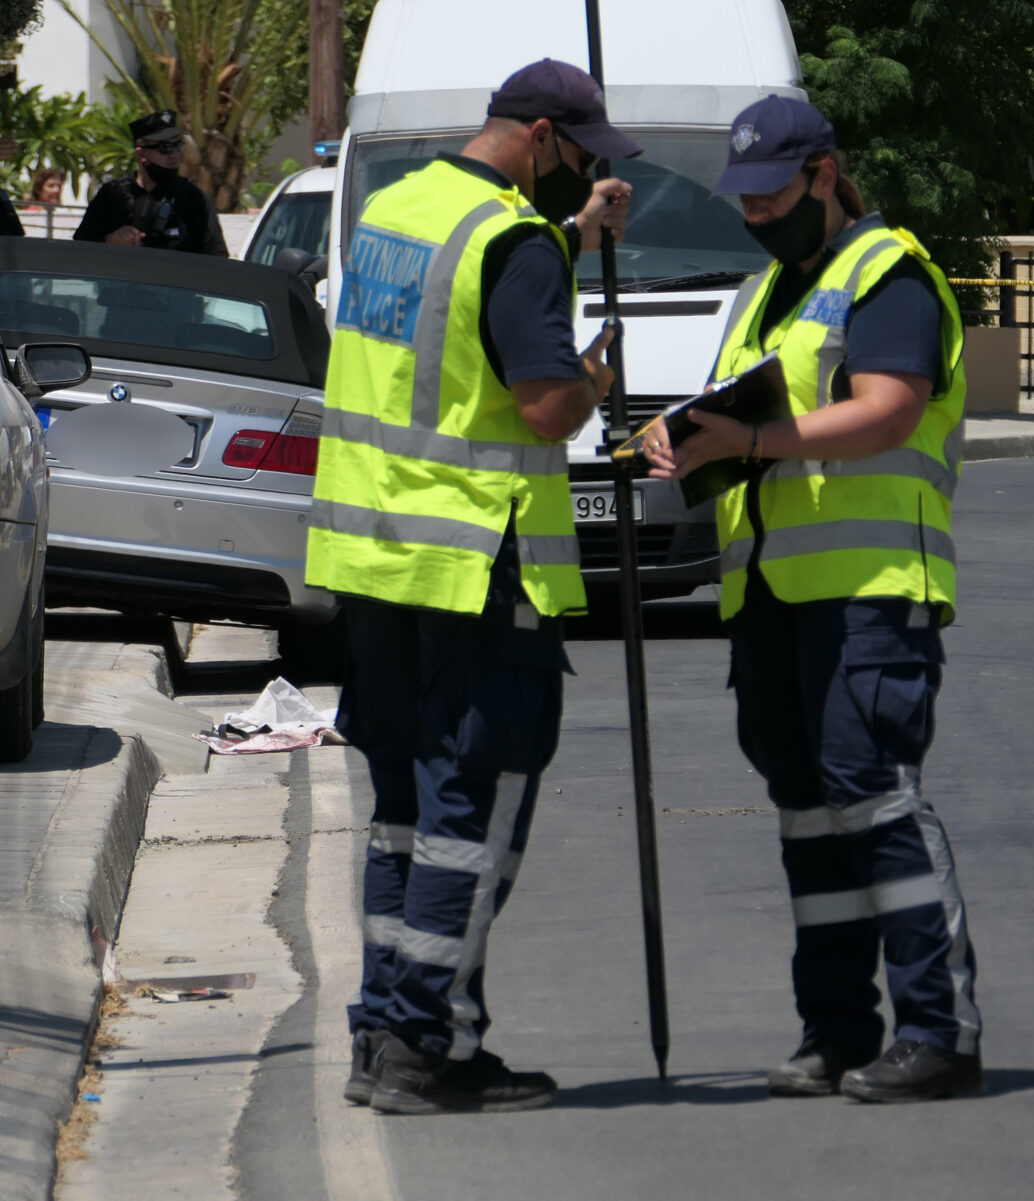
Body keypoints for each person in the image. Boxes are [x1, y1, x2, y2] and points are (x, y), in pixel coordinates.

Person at [309, 57, 635, 1114]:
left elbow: (447, 330)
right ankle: (422, 1044)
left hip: (375, 558)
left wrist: (576, 235)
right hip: (476, 568)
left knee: (402, 810)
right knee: (471, 812)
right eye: (579, 155)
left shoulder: (394, 211)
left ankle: (387, 1034)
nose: (580, 172)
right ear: (540, 136)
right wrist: (595, 376)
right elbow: (543, 408)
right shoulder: (513, 240)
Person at [645, 95, 981, 1103]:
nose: (754, 214)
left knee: (873, 801)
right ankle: (835, 1030)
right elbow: (747, 412)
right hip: (772, 593)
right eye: (741, 200)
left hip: (869, 591)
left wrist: (745, 439)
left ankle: (936, 1030)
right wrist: (679, 437)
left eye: (772, 195)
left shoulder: (887, 275)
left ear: (825, 175)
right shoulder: (765, 292)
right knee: (807, 816)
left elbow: (884, 412)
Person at [72, 111, 228, 255]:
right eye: (165, 148)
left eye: (178, 146)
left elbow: (216, 257)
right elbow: (79, 252)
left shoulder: (193, 198)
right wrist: (110, 240)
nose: (175, 154)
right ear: (141, 155)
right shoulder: (112, 195)